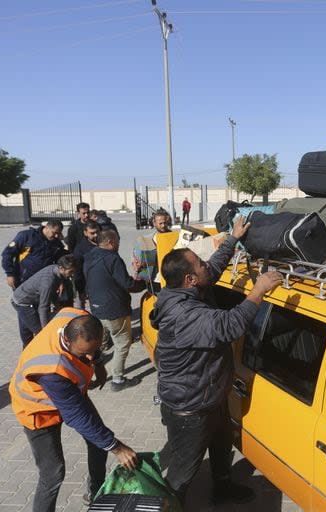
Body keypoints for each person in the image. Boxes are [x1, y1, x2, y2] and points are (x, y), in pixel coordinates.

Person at [149, 216, 282, 506]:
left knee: (222, 445)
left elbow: (214, 268)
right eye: (198, 263)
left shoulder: (186, 287)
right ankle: (170, 505)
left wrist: (233, 239)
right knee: (183, 473)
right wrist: (258, 290)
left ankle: (222, 487)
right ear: (190, 280)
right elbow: (231, 325)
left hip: (210, 396)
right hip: (190, 408)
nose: (204, 264)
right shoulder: (186, 315)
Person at [9, 309, 139, 511]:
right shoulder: (52, 368)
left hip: (70, 392)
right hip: (38, 411)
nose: (89, 356)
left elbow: (89, 348)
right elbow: (76, 416)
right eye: (83, 353)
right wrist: (118, 448)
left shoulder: (73, 315)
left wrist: (98, 364)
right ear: (68, 341)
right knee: (53, 473)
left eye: (94, 350)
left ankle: (96, 495)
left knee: (98, 442)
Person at [83, 230, 145, 390]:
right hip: (114, 310)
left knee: (98, 344)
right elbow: (127, 284)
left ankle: (88, 376)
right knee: (122, 343)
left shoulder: (90, 255)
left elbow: (110, 279)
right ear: (111, 242)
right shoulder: (113, 259)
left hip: (96, 308)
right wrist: (144, 283)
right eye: (118, 240)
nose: (119, 243)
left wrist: (136, 273)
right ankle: (117, 380)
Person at [11, 254, 80, 347]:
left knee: (26, 328)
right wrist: (45, 329)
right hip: (23, 303)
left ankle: (27, 351)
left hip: (25, 298)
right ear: (61, 268)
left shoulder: (55, 269)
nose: (72, 274)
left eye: (74, 271)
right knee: (39, 331)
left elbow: (53, 293)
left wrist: (58, 307)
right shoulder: (48, 282)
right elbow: (43, 308)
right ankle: (39, 352)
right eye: (70, 271)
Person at [2, 220, 66, 289]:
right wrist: (10, 274)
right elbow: (7, 254)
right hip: (23, 280)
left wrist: (60, 281)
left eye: (58, 233)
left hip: (44, 282)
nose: (56, 236)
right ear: (46, 227)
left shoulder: (56, 242)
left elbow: (60, 262)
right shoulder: (27, 236)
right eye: (54, 232)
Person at [132, 210, 175, 293]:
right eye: (160, 223)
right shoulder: (147, 240)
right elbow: (136, 258)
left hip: (171, 280)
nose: (163, 226)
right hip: (155, 279)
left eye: (165, 223)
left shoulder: (174, 238)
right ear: (154, 223)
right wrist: (138, 268)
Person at [72, 220, 101, 308]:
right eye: (92, 233)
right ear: (85, 233)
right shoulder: (80, 249)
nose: (96, 235)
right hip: (89, 286)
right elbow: (78, 272)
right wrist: (81, 291)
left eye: (97, 232)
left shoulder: (105, 243)